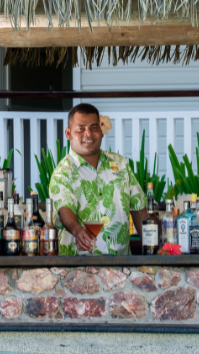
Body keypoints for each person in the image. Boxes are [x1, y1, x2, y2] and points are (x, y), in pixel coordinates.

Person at [49, 103, 148, 255]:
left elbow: (138, 208)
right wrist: (78, 231)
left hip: (121, 266)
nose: (88, 133)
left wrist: (154, 248)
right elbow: (64, 210)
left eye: (94, 127)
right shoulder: (63, 173)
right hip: (79, 269)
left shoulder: (120, 164)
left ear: (101, 132)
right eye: (80, 128)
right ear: (68, 134)